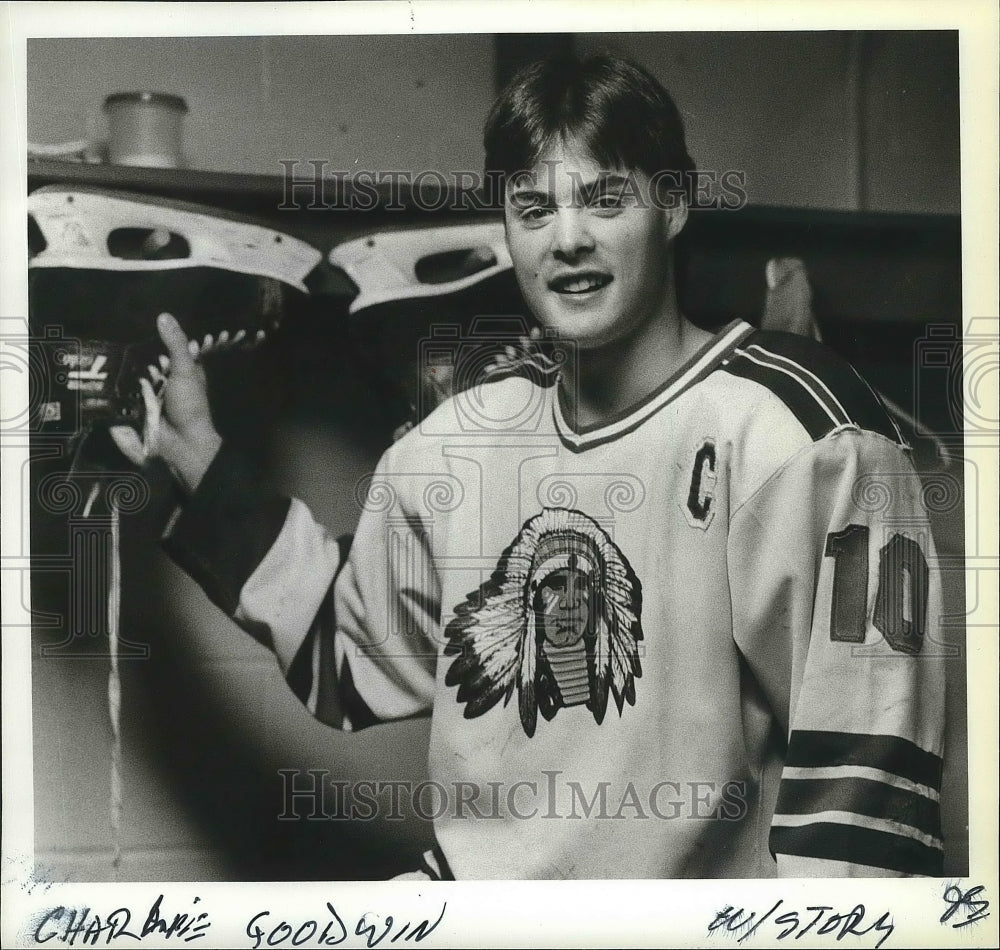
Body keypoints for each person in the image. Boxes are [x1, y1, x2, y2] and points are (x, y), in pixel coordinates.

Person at [111, 53, 945, 879]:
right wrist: (203, 463)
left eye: (605, 198)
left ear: (676, 205)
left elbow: (860, 817)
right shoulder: (454, 444)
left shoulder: (802, 436)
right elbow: (349, 655)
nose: (569, 239)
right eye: (534, 208)